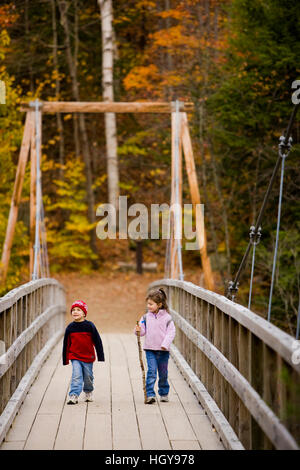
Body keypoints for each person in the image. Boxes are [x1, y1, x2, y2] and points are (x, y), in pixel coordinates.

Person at [135, 288, 176, 404]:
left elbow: (171, 332)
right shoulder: (146, 317)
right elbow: (142, 331)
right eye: (148, 303)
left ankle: (163, 393)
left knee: (163, 373)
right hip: (150, 349)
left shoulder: (167, 318)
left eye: (151, 304)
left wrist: (165, 344)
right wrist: (137, 330)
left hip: (163, 351)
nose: (148, 306)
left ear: (159, 305)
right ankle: (150, 394)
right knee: (152, 371)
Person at [62, 300, 105, 404]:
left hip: (88, 356)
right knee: (76, 375)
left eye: (78, 310)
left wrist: (101, 356)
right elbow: (66, 344)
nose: (75, 312)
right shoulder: (70, 327)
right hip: (75, 356)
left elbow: (97, 341)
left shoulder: (90, 326)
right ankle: (74, 395)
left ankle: (88, 391)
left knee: (88, 377)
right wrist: (65, 359)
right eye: (73, 310)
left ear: (84, 313)